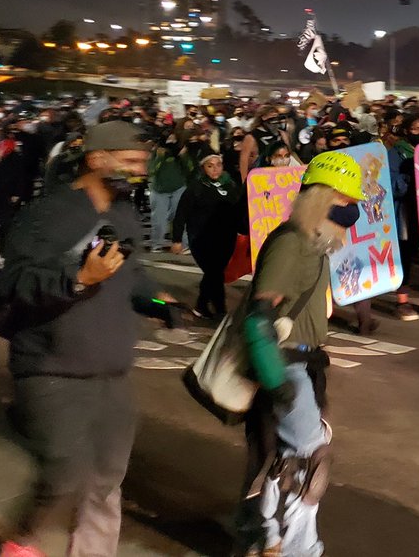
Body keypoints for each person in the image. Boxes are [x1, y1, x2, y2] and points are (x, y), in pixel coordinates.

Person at [0, 122, 172, 556]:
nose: (139, 172)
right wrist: (76, 280)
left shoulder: (124, 215)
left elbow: (130, 275)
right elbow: (13, 282)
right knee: (63, 473)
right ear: (97, 159)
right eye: (130, 162)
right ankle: (23, 540)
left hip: (111, 370)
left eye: (142, 164)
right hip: (50, 369)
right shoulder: (46, 214)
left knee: (108, 476)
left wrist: (155, 299)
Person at [233, 151, 364, 557]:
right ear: (320, 197)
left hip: (304, 364)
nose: (351, 209)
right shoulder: (291, 242)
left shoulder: (313, 243)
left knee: (293, 460)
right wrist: (277, 379)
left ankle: (270, 541)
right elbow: (259, 318)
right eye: (343, 200)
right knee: (302, 465)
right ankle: (283, 546)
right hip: (285, 365)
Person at [171, 150, 241, 319]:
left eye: (218, 165)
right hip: (201, 238)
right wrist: (177, 239)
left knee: (216, 273)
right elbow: (181, 214)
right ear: (203, 168)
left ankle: (203, 305)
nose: (215, 169)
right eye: (210, 166)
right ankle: (219, 308)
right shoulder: (195, 188)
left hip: (225, 237)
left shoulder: (231, 185)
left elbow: (239, 210)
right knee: (214, 272)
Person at [147, 130, 188, 252]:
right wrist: (160, 157)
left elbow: (188, 168)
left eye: (173, 139)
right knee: (159, 219)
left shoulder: (178, 153)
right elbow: (151, 171)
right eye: (169, 138)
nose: (171, 141)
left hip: (178, 188)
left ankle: (184, 245)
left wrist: (184, 156)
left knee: (180, 218)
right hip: (159, 191)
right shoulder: (156, 153)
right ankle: (156, 244)